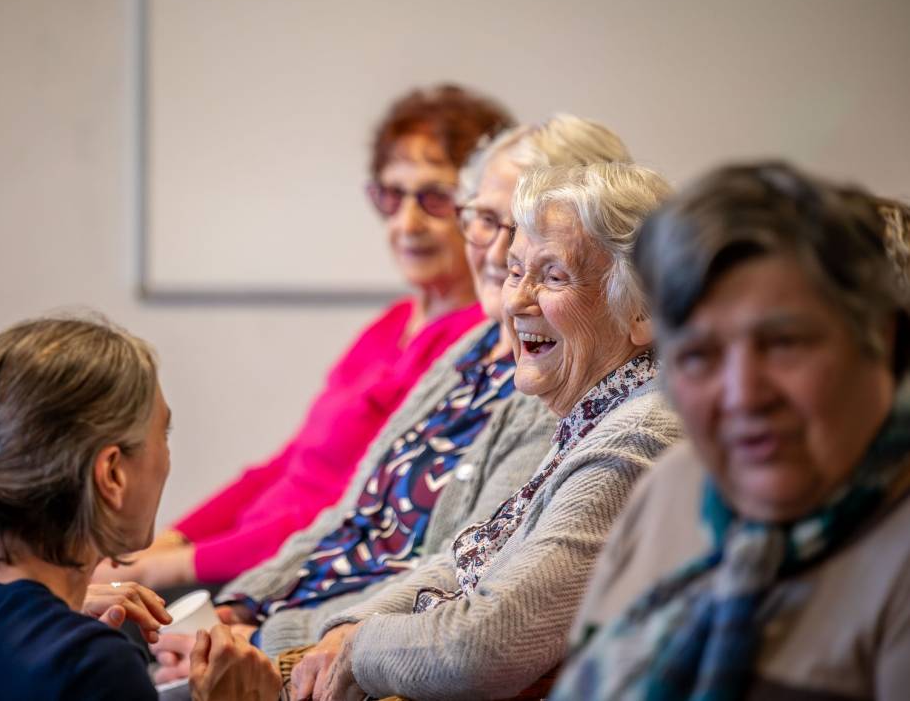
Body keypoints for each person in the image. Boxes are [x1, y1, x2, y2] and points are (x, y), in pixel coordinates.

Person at [148, 115, 634, 680]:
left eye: (527, 236)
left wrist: (261, 635)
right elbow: (346, 511)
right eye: (485, 221)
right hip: (284, 621)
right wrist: (240, 604)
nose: (502, 256)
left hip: (325, 652)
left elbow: (455, 577)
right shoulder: (471, 347)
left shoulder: (556, 390)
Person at [291, 162, 685, 701]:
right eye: (516, 270)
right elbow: (464, 561)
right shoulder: (597, 411)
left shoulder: (641, 434)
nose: (514, 300)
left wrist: (360, 645)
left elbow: (484, 648)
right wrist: (344, 628)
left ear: (642, 309)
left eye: (553, 276)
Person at [104, 84, 514, 592]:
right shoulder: (391, 324)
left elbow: (351, 509)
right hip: (242, 555)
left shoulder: (477, 343)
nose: (406, 223)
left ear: (480, 210)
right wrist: (168, 541)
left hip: (291, 574)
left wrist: (173, 567)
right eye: (392, 194)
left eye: (434, 198)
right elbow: (287, 465)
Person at [551, 164, 910, 700]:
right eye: (699, 355)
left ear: (878, 339)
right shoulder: (671, 489)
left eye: (785, 343)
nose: (744, 394)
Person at [0, 316, 281, 701]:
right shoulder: (90, 665)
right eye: (163, 435)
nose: (167, 457)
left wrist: (57, 608)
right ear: (112, 475)